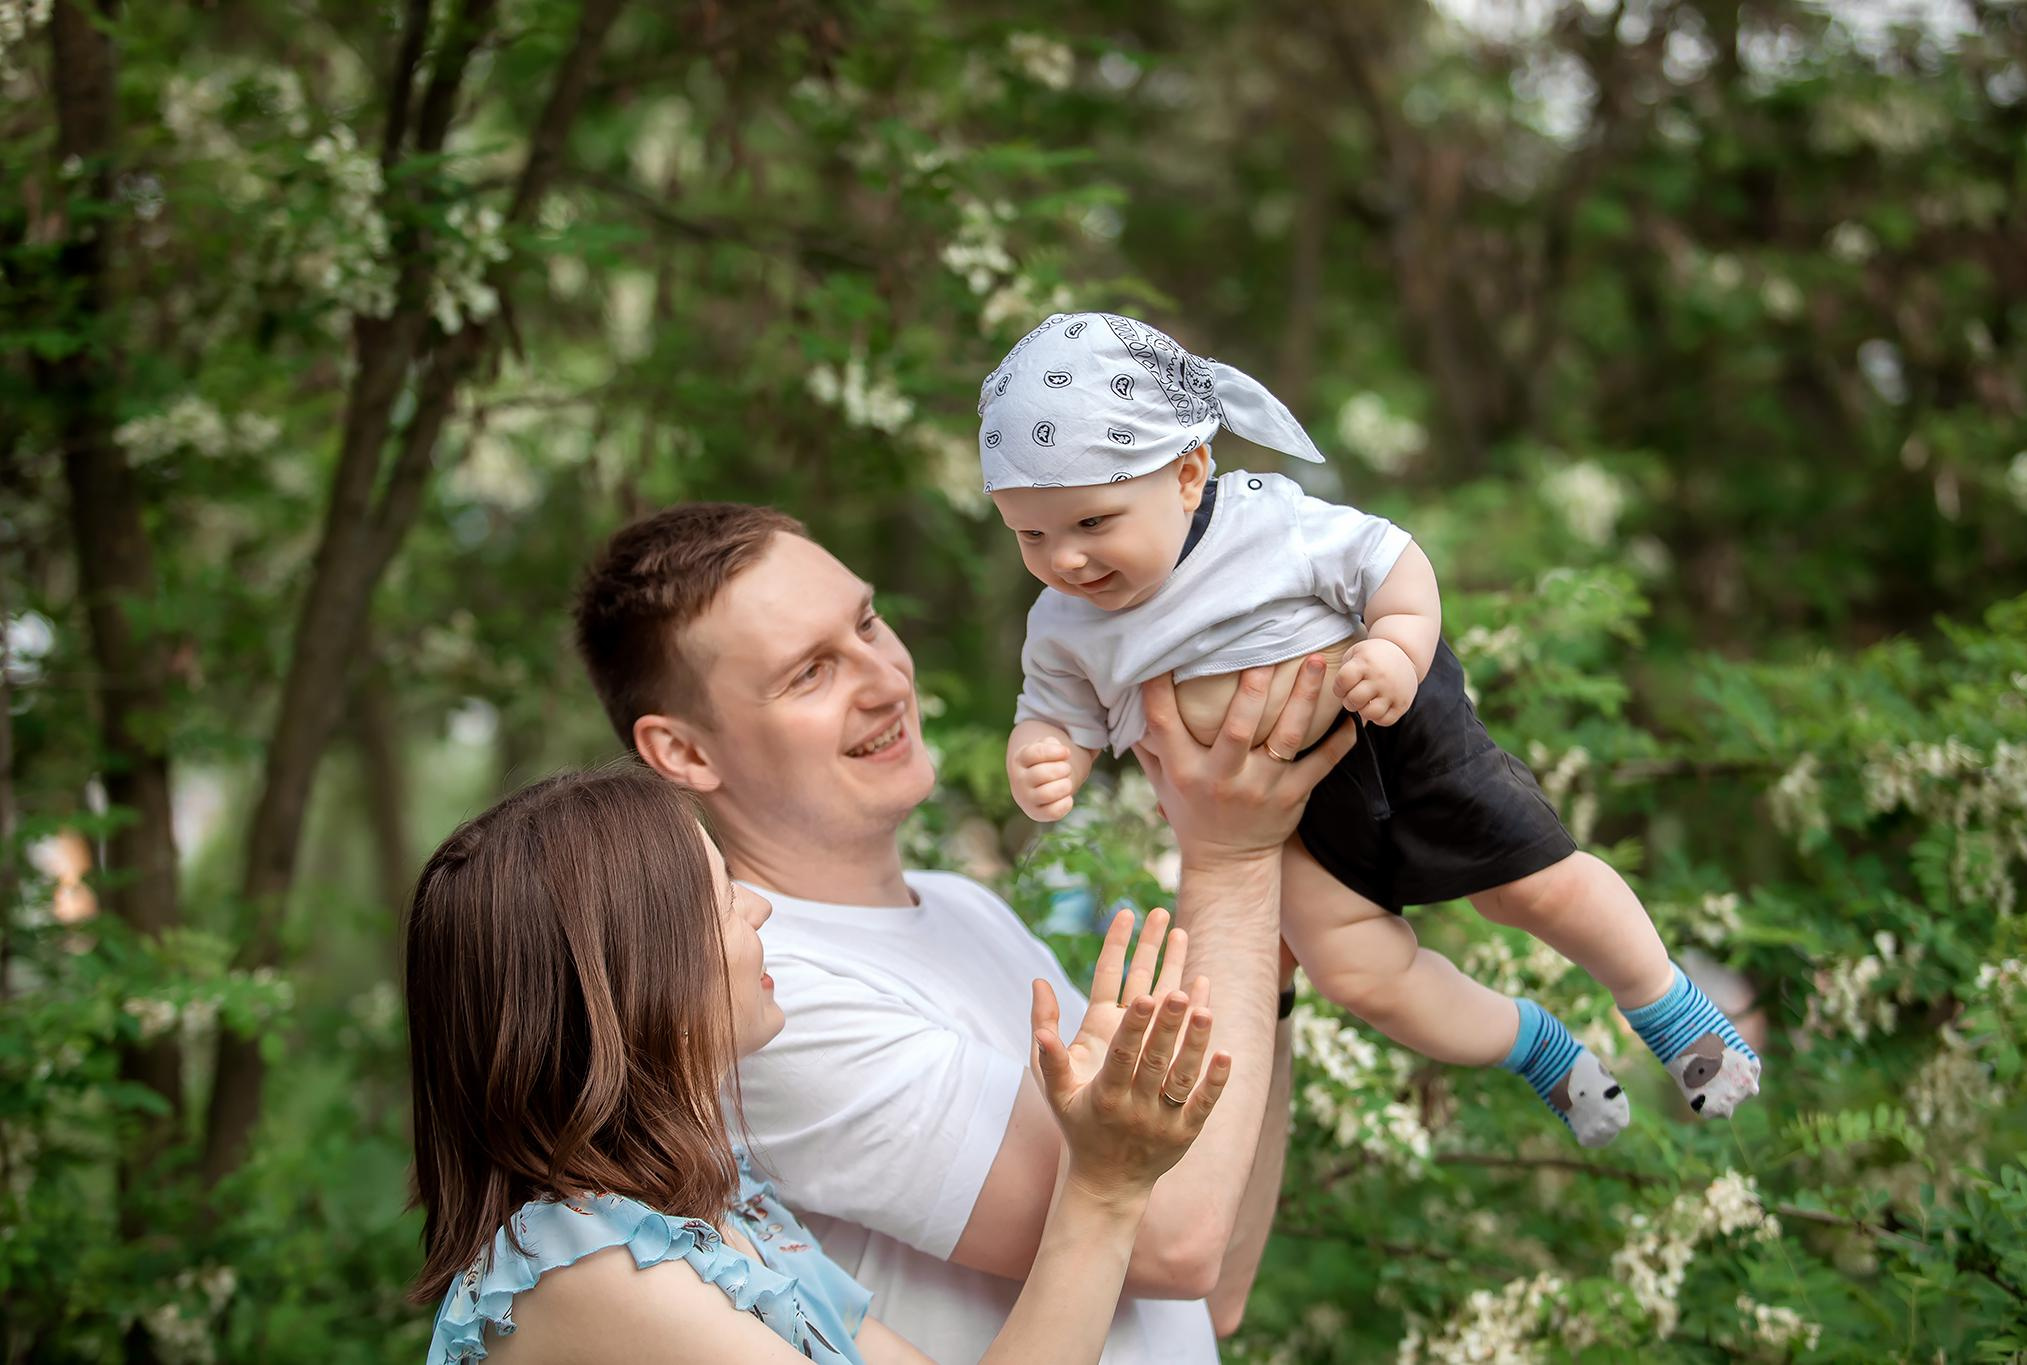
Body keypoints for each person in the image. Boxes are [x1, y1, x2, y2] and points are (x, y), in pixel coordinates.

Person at [573, 504, 1348, 1361]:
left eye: (867, 622)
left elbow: (1219, 1276)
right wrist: (1232, 860)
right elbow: (1172, 1236)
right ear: (684, 753)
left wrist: (1263, 960)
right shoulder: (763, 997)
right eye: (810, 673)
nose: (885, 679)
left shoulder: (964, 908)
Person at [980, 310, 1763, 1148]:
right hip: (1275, 826)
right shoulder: (1063, 624)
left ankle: (1671, 1009)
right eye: (1032, 534)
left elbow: (1391, 562)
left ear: (1188, 472)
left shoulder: (1265, 521)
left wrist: (1396, 644)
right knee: (1358, 973)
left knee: (1530, 885)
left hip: (1389, 731)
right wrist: (1044, 756)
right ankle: (1536, 1047)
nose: (1064, 559)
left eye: (1093, 523)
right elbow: (1055, 714)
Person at [407, 764, 1231, 1363]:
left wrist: (1105, 1172)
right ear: (633, 973)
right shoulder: (590, 1264)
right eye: (723, 895)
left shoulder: (730, 1211)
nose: (759, 907)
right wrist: (1103, 1185)